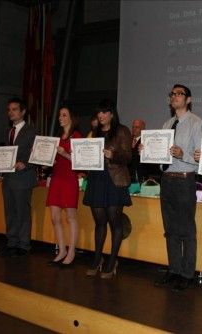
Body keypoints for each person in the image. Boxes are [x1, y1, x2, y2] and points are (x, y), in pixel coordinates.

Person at [154, 84, 202, 292]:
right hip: (166, 179)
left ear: (188, 99)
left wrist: (182, 154)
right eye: (172, 94)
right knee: (170, 229)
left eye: (179, 94)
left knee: (186, 229)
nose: (175, 97)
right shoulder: (167, 124)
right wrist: (149, 151)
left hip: (185, 180)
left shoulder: (196, 124)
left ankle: (187, 274)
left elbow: (201, 158)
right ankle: (174, 269)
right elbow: (160, 154)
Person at [83, 99, 132, 278]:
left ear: (111, 113)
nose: (101, 116)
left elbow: (127, 157)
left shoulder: (122, 130)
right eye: (99, 113)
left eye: (105, 112)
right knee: (99, 222)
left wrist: (113, 154)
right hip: (96, 179)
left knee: (115, 221)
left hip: (114, 181)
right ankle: (97, 259)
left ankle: (112, 261)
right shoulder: (94, 132)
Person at [0, 97, 37, 257]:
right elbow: (6, 154)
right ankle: (12, 243)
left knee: (22, 212)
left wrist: (25, 164)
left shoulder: (31, 131)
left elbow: (37, 154)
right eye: (9, 110)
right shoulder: (9, 131)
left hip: (23, 178)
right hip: (8, 179)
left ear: (23, 112)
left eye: (14, 109)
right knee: (10, 212)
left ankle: (24, 245)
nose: (10, 112)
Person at [46, 106, 82, 267]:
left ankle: (72, 251)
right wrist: (48, 159)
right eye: (60, 115)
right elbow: (54, 160)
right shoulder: (57, 137)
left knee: (70, 217)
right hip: (57, 178)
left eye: (64, 115)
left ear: (71, 118)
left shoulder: (77, 136)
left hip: (69, 179)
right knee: (55, 217)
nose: (60, 117)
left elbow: (79, 162)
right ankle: (61, 250)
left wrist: (63, 153)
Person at [129, 119, 159, 184]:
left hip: (142, 176)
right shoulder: (127, 140)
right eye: (133, 127)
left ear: (143, 129)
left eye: (137, 127)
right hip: (128, 176)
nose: (134, 129)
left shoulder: (147, 141)